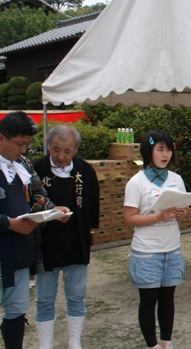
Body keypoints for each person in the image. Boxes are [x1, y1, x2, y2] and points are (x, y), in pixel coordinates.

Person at [0, 111, 70, 349]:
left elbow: (39, 193)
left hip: (20, 250)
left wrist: (50, 209)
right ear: (1, 138)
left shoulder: (23, 163)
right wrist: (9, 223)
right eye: (20, 144)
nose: (24, 150)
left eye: (28, 145)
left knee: (16, 310)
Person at [32, 124, 100, 349]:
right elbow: (28, 204)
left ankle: (75, 342)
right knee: (44, 299)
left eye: (67, 151)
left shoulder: (85, 170)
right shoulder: (36, 169)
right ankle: (45, 344)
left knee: (76, 297)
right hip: (45, 245)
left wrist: (90, 229)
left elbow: (93, 204)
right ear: (47, 146)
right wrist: (50, 214)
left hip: (75, 243)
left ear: (76, 150)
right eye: (55, 149)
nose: (61, 156)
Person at [123, 130, 188, 349]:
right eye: (160, 149)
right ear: (148, 151)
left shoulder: (176, 179)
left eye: (168, 149)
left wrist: (182, 212)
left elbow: (184, 208)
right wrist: (158, 216)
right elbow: (129, 217)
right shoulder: (136, 182)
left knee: (168, 299)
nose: (165, 154)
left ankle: (166, 342)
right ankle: (152, 345)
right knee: (149, 301)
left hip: (172, 249)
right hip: (147, 252)